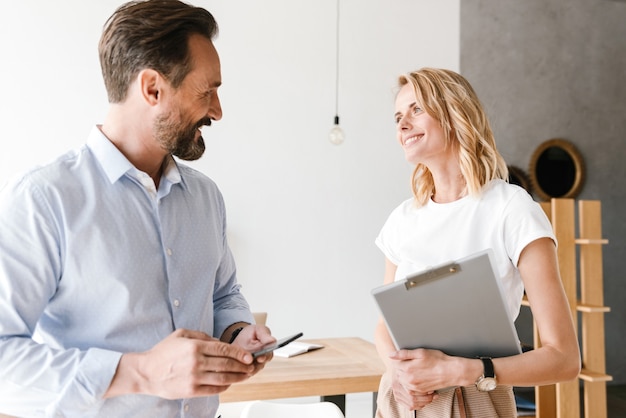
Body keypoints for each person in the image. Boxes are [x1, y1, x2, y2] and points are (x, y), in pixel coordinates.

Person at [0, 1, 275, 416]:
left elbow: (222, 294)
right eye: (207, 91)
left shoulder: (205, 197)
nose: (217, 110)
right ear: (152, 89)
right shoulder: (45, 200)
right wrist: (141, 372)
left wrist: (237, 333)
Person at [373, 68, 581, 417]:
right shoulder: (402, 219)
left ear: (455, 112)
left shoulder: (511, 209)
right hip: (402, 400)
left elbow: (564, 359)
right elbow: (384, 325)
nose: (402, 125)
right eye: (398, 116)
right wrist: (397, 375)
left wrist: (466, 371)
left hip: (476, 398)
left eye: (416, 109)